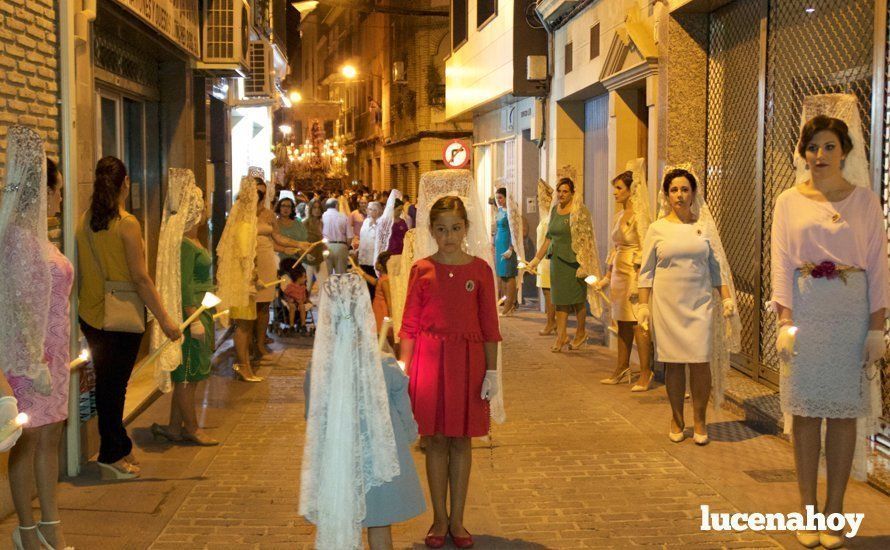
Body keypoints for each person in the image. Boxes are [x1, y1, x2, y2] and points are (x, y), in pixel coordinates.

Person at [770, 95, 888, 550]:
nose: (819, 156)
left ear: (845, 151)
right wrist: (783, 319)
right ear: (803, 153)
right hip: (805, 310)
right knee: (804, 411)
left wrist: (877, 325)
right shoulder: (787, 201)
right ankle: (806, 509)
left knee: (841, 415)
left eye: (828, 147)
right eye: (812, 147)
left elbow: (878, 264)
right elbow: (781, 262)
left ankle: (835, 511)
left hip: (850, 312)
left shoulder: (864, 201)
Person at [400, 191, 502, 549]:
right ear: (431, 230)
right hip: (429, 361)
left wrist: (492, 373)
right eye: (441, 229)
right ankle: (438, 518)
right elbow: (409, 324)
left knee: (461, 441)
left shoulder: (480, 271)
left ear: (466, 228)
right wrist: (404, 368)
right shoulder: (421, 269)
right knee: (435, 440)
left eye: (455, 228)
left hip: (468, 362)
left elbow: (490, 326)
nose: (449, 236)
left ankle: (458, 519)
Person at [300, 273, 425, 550]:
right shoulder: (383, 364)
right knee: (380, 526)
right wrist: (409, 436)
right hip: (381, 459)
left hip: (337, 461)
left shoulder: (318, 369)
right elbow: (403, 409)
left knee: (343, 521)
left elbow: (313, 414)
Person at [76, 156, 182, 480]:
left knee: (106, 388)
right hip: (121, 318)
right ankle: (111, 454)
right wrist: (164, 319)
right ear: (125, 184)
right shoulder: (126, 223)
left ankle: (118, 446)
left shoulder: (84, 221)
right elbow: (140, 278)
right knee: (114, 389)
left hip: (91, 314)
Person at [1, 131, 73, 550]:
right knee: (28, 441)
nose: (61, 199)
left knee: (51, 439)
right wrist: (31, 363)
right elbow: (15, 310)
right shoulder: (15, 239)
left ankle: (51, 524)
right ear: (42, 191)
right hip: (30, 359)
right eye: (57, 191)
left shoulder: (40, 239)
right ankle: (28, 529)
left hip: (56, 353)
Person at [636, 165, 740, 446]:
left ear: (693, 193)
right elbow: (646, 272)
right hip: (668, 303)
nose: (679, 195)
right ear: (666, 195)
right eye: (674, 190)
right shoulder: (657, 229)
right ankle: (676, 417)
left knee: (700, 361)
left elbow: (716, 268)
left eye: (684, 189)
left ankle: (700, 419)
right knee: (674, 364)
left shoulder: (704, 227)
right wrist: (643, 307)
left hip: (700, 302)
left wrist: (727, 297)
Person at [149, 169, 219, 447]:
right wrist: (195, 318)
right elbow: (185, 284)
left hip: (203, 311)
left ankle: (175, 426)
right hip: (193, 317)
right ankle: (192, 427)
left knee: (192, 373)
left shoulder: (192, 239)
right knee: (188, 376)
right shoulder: (185, 245)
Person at [527, 176, 604, 352]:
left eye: (565, 192)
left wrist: (585, 264)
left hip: (574, 262)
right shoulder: (554, 211)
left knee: (577, 300)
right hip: (556, 261)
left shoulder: (580, 211)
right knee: (559, 300)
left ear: (572, 193)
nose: (561, 195)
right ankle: (561, 336)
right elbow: (549, 238)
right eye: (559, 191)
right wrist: (536, 260)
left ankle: (581, 332)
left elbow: (587, 239)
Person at [595, 161, 654, 390]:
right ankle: (622, 366)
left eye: (620, 188)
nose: (615, 192)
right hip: (619, 271)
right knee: (622, 322)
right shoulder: (620, 215)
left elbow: (644, 247)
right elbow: (615, 247)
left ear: (631, 190)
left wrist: (639, 280)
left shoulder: (640, 216)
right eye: (615, 188)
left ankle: (646, 371)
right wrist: (606, 276)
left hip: (633, 272)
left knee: (638, 323)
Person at [216, 176, 262, 383]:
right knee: (243, 327)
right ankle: (243, 366)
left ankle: (243, 364)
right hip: (243, 285)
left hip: (244, 283)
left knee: (245, 326)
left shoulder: (243, 223)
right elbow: (245, 257)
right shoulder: (244, 225)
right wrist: (254, 277)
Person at [493, 187, 522, 316]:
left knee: (509, 275)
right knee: (502, 276)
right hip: (499, 244)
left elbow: (514, 230)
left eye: (500, 197)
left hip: (507, 244)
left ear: (506, 198)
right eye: (497, 198)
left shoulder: (512, 211)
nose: (498, 200)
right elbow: (497, 227)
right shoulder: (499, 210)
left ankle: (510, 306)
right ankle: (506, 303)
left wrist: (511, 247)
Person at [533, 180, 557, 335]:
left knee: (550, 294)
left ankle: (551, 323)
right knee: (546, 292)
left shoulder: (551, 219)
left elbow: (549, 240)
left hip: (547, 259)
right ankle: (551, 322)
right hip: (541, 260)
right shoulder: (545, 217)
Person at [357, 201, 383, 296]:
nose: (369, 211)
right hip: (363, 258)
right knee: (364, 286)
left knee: (372, 286)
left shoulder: (380, 224)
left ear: (378, 211)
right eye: (369, 209)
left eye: (372, 209)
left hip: (373, 259)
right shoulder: (366, 221)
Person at [322, 198, 352, 274]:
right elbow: (350, 237)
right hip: (341, 246)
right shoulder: (343, 217)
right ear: (336, 205)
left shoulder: (322, 217)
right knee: (341, 276)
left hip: (325, 247)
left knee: (327, 275)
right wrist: (345, 246)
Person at [275, 197, 308, 262]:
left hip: (296, 260)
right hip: (278, 260)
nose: (286, 208)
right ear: (279, 207)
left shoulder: (298, 224)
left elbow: (304, 242)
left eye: (288, 206)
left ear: (292, 209)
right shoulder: (274, 223)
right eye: (283, 205)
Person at [280, 263, 310, 333]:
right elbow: (285, 295)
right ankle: (291, 325)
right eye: (304, 277)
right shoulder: (290, 287)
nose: (305, 279)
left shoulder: (303, 287)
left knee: (302, 307)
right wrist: (289, 299)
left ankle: (303, 324)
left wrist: (303, 300)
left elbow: (304, 297)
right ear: (298, 278)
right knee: (292, 307)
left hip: (299, 302)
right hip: (292, 301)